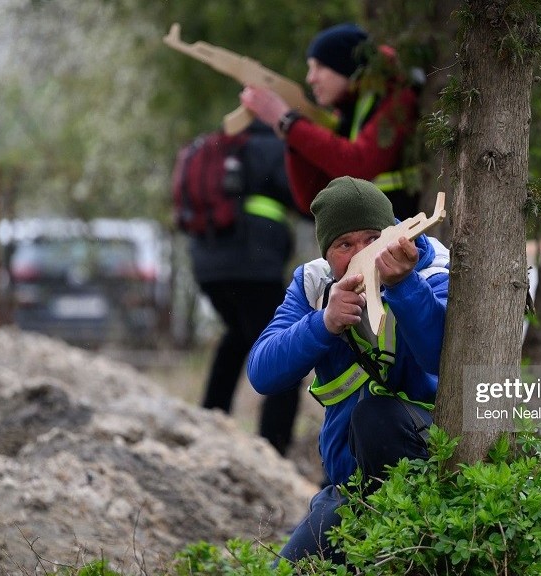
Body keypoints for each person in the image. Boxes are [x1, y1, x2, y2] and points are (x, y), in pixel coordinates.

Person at [247, 176, 450, 563]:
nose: (364, 253)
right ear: (327, 255)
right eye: (345, 245)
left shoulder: (432, 268)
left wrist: (404, 286)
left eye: (373, 238)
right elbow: (262, 372)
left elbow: (439, 357)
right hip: (350, 488)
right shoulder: (313, 283)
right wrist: (323, 322)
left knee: (375, 415)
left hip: (427, 472)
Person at [189, 120, 303, 456]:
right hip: (254, 267)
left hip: (207, 267)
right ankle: (273, 450)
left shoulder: (221, 147)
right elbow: (304, 197)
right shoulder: (274, 148)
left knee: (238, 334)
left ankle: (209, 423)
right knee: (285, 353)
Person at [238, 23, 421, 219]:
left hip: (403, 230)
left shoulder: (398, 99)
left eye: (320, 66)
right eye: (310, 68)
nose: (311, 78)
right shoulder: (347, 111)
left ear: (347, 66)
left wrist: (289, 123)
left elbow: (359, 164)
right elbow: (312, 197)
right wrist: (293, 136)